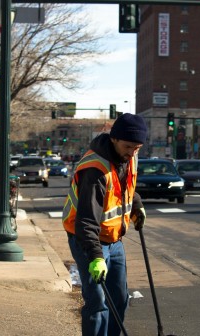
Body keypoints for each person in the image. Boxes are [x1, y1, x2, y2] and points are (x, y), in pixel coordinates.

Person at [62, 113, 148, 336]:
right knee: (97, 301)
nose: (132, 152)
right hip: (87, 240)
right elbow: (86, 222)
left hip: (114, 239)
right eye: (128, 146)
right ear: (114, 139)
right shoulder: (95, 170)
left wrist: (136, 205)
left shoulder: (130, 158)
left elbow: (125, 188)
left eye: (137, 147)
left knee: (119, 298)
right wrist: (96, 257)